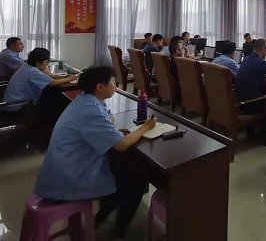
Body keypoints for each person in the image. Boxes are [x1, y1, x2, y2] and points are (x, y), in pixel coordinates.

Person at [34, 66, 156, 240]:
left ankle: (102, 216)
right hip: (70, 179)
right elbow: (121, 145)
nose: (115, 85)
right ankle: (119, 233)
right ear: (100, 86)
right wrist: (145, 127)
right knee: (136, 182)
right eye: (113, 82)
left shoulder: (84, 100)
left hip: (63, 169)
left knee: (121, 170)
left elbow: (105, 121)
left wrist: (112, 132)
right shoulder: (91, 110)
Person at [0, 48, 78, 117]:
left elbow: (48, 77)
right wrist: (70, 78)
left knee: (51, 94)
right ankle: (51, 122)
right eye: (46, 62)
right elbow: (53, 83)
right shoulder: (32, 71)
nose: (47, 65)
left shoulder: (27, 66)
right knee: (54, 97)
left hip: (12, 102)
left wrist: (65, 77)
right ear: (38, 63)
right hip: (17, 105)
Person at [236, 39, 266, 110]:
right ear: (263, 49)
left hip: (240, 101)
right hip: (253, 103)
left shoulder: (245, 60)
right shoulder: (263, 64)